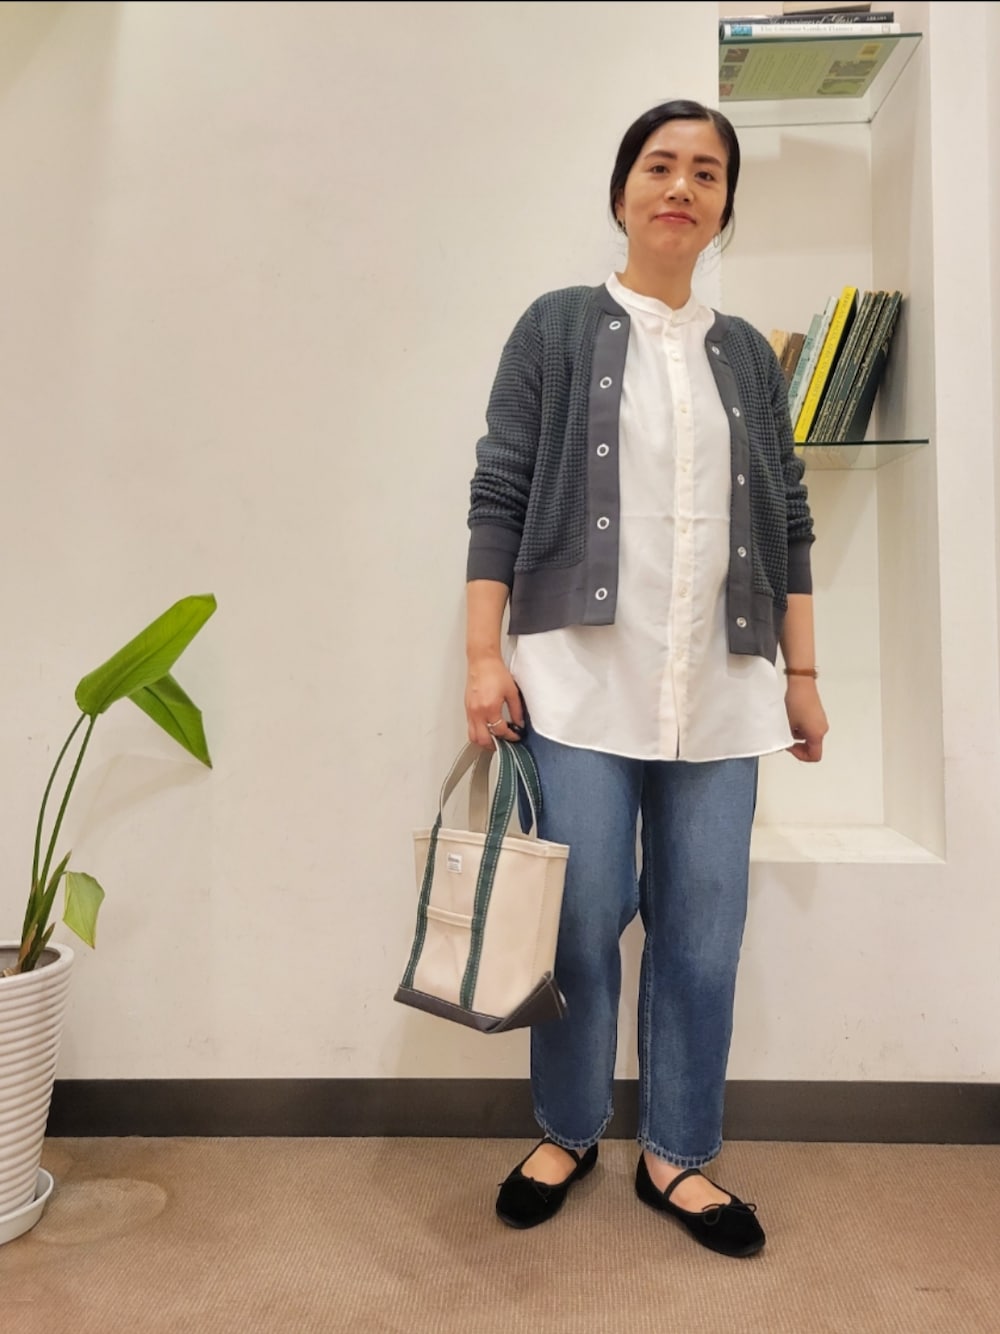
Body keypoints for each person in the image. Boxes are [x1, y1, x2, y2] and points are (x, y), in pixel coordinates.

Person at [463, 99, 828, 1259]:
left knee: (703, 929)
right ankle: (568, 1127)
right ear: (621, 191)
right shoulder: (556, 326)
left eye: (706, 172)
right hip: (577, 681)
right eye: (660, 166)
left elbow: (789, 518)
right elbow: (499, 491)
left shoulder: (748, 354)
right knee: (579, 918)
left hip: (722, 688)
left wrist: (802, 671)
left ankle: (677, 1150)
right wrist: (482, 653)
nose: (681, 186)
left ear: (724, 206)